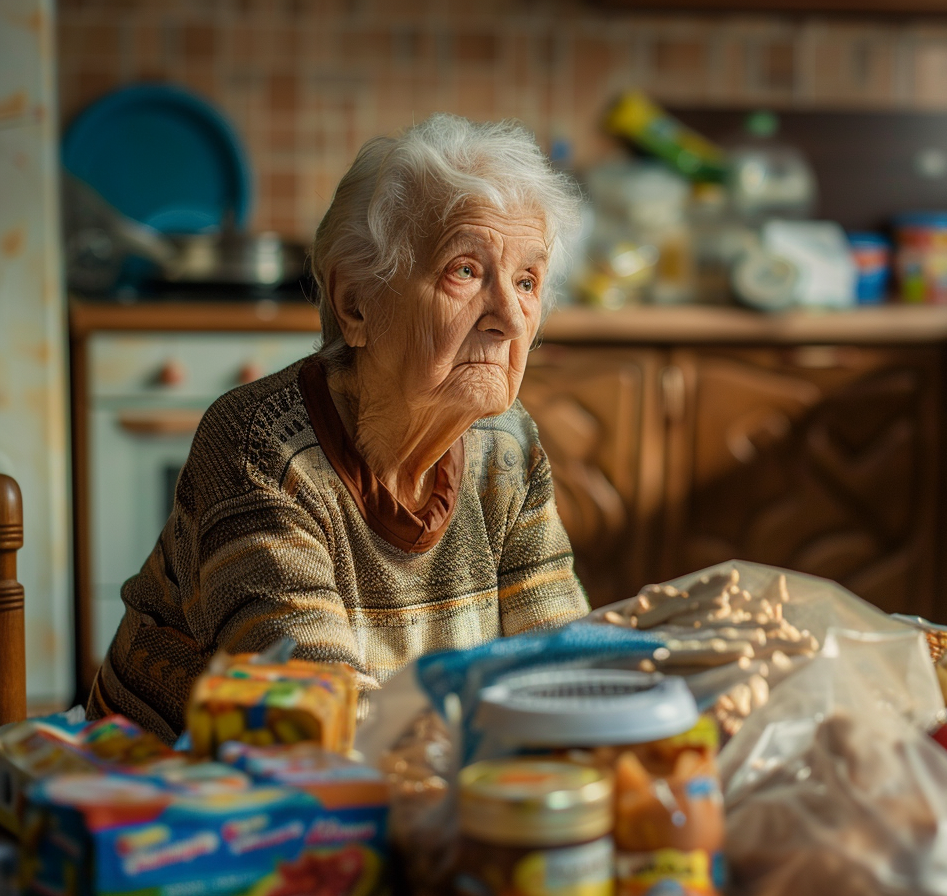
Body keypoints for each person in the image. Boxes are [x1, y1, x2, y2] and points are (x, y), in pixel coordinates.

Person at [88, 115, 590, 742]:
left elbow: (563, 663)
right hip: (170, 800)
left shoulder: (508, 449)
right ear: (356, 303)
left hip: (399, 786)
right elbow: (316, 719)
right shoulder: (260, 448)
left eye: (527, 281)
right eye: (466, 271)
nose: (512, 320)